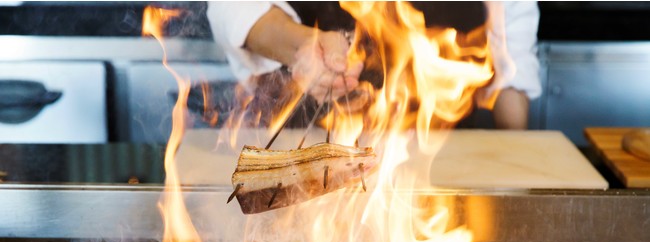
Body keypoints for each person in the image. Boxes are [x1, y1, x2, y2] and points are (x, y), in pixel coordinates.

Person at [206, 1, 541, 130]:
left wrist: (516, 176)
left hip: (436, 161)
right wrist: (303, 49)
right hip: (296, 153)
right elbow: (235, 9)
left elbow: (513, 61)